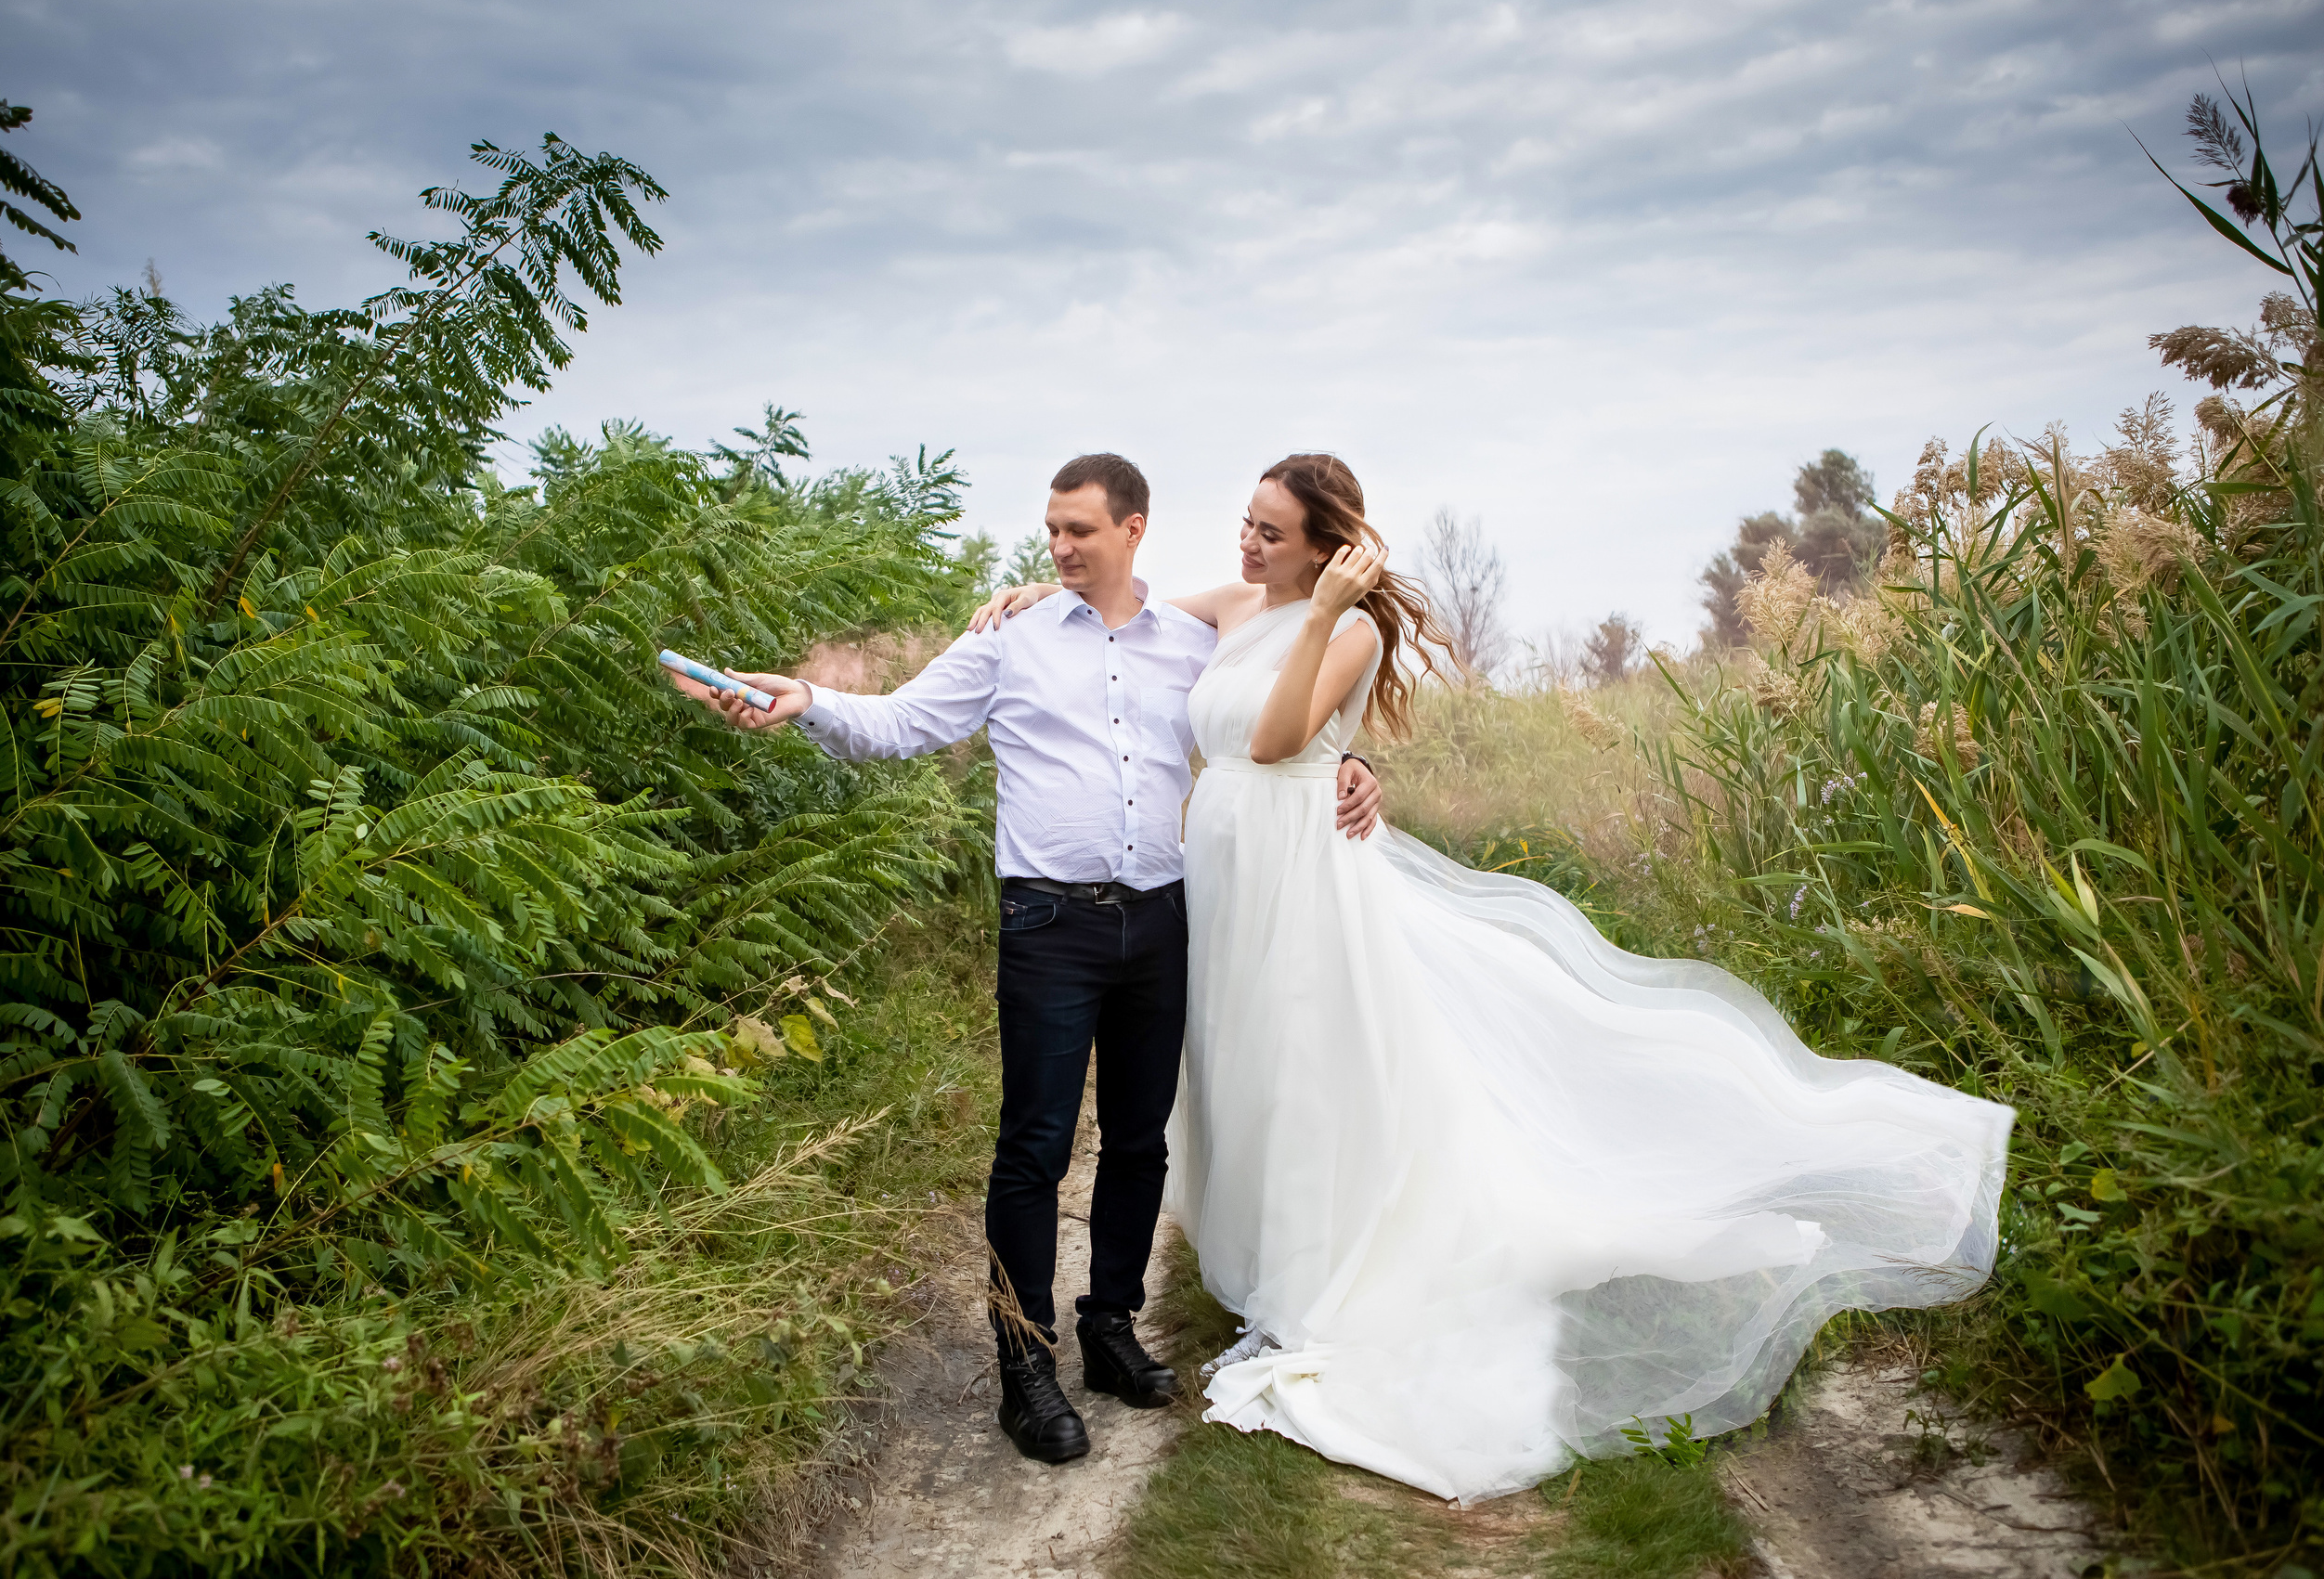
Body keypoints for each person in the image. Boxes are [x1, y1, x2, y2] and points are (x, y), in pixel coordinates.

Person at [969, 452, 2014, 1505]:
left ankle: (1317, 1258)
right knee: (1235, 1067)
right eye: (1246, 523)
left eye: (1272, 533)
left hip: (1298, 863)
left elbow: (1284, 737)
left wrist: (1340, 666)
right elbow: (1127, 611)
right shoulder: (1230, 601)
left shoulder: (1357, 626)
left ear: (1328, 548)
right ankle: (1221, 1262)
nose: (1247, 544)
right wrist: (1036, 590)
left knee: (1305, 1061)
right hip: (1223, 869)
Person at [668, 452, 1384, 1466]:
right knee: (1035, 1146)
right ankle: (1025, 1365)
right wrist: (807, 703)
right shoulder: (1010, 636)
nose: (1058, 548)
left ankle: (1108, 1329)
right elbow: (903, 723)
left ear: (1133, 529)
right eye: (1051, 531)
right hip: (1050, 923)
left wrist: (1353, 761)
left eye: (1079, 531)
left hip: (1165, 919)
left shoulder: (1192, 637)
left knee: (1140, 1141)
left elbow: (1269, 722)